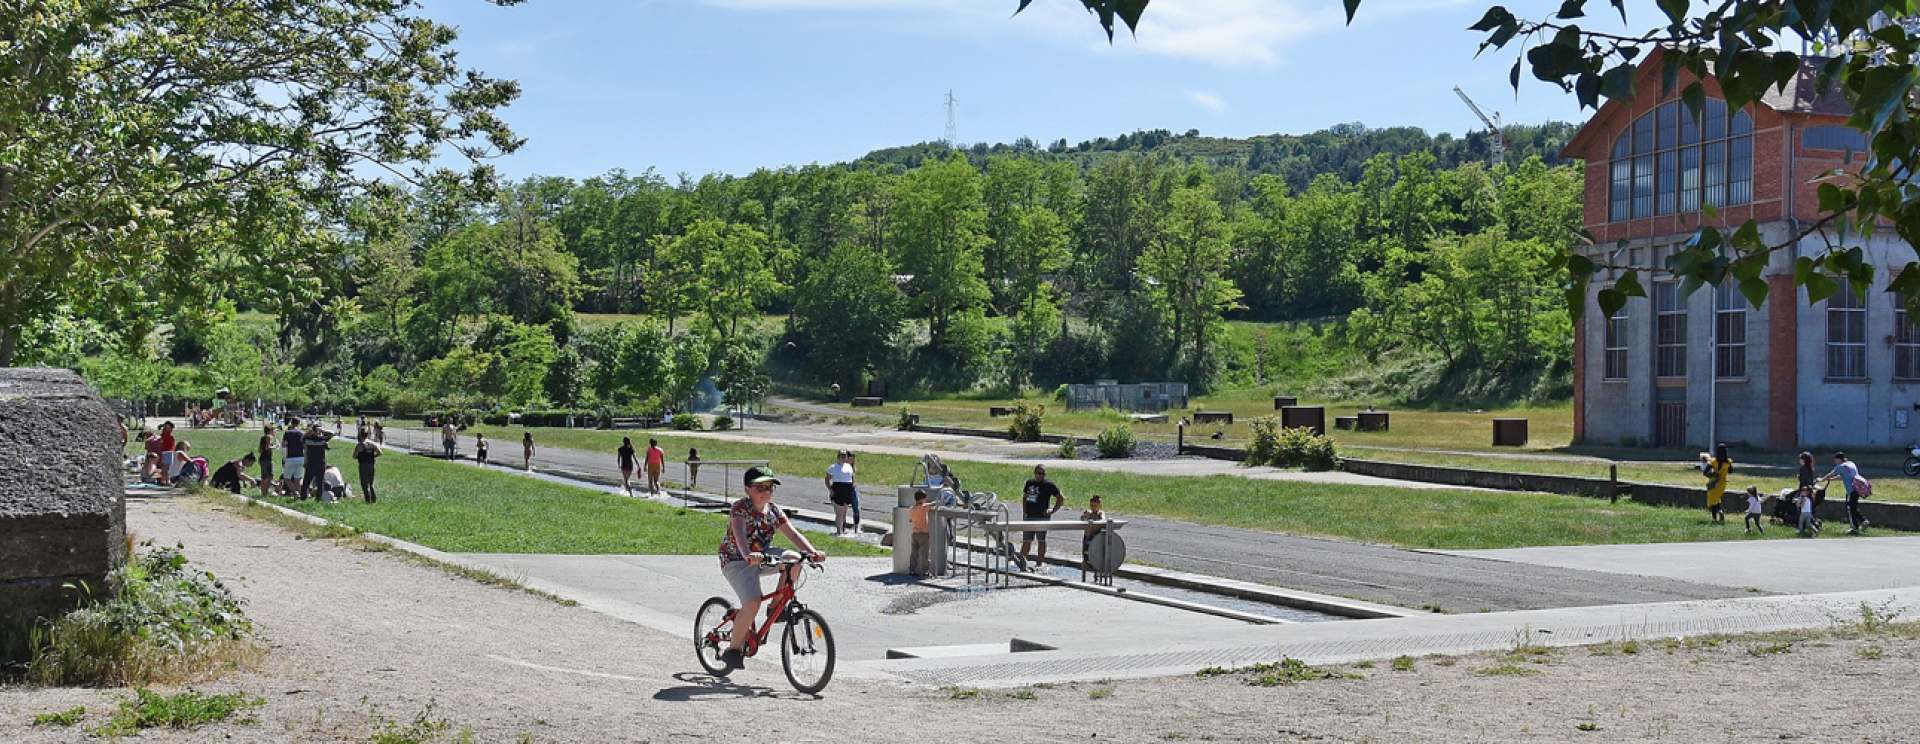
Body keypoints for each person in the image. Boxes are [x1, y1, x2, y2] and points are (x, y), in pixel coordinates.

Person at [715, 466, 825, 673]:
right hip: (737, 560)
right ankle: (733, 650)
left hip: (763, 556)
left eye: (770, 487)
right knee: (753, 602)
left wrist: (812, 552)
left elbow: (792, 534)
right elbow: (738, 533)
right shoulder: (740, 509)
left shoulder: (773, 511)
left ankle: (776, 608)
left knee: (794, 558)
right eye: (760, 487)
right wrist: (748, 554)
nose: (766, 491)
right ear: (747, 489)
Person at [1019, 464, 1064, 571]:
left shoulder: (1048, 485)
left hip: (1042, 517)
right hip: (1029, 516)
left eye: (1043, 473)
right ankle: (1021, 561)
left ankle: (1039, 563)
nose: (1041, 476)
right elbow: (1025, 497)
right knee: (1026, 540)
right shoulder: (1029, 483)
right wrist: (1024, 511)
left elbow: (1060, 497)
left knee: (1041, 540)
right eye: (1039, 473)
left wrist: (1052, 510)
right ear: (1034, 473)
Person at [1820, 451, 1868, 535]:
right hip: (1857, 489)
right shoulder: (1851, 464)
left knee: (1850, 509)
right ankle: (1863, 521)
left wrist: (1822, 479)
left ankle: (1854, 528)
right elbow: (1842, 477)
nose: (1835, 462)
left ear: (1839, 460)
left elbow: (1831, 474)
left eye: (1835, 460)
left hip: (1851, 491)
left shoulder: (1840, 467)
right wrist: (1830, 480)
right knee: (1854, 507)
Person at [300, 423, 335, 501]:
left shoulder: (308, 440)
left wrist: (308, 433)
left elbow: (301, 439)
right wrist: (323, 430)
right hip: (320, 463)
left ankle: (303, 497)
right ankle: (318, 499)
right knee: (320, 483)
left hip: (311, 463)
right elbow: (332, 433)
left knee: (306, 482)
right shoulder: (322, 439)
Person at [825, 450, 857, 535]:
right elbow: (827, 480)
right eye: (841, 457)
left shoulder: (848, 466)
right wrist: (830, 490)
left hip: (847, 489)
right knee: (839, 512)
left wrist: (853, 483)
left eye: (844, 457)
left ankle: (843, 529)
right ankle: (839, 532)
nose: (843, 459)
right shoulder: (833, 468)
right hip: (838, 489)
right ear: (838, 458)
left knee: (844, 512)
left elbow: (852, 475)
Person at [908, 490, 933, 576]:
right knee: (925, 553)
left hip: (914, 533)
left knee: (914, 553)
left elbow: (910, 520)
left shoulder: (911, 509)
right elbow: (932, 505)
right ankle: (925, 571)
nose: (925, 500)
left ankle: (912, 570)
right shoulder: (923, 507)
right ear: (922, 499)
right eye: (925, 499)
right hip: (923, 533)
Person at [353, 428, 381, 504]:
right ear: (368, 435)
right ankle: (374, 500)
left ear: (360, 435)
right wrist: (373, 456)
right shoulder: (373, 444)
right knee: (371, 484)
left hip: (363, 465)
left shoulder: (360, 445)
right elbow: (380, 453)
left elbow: (354, 456)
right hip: (372, 465)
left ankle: (368, 500)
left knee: (365, 484)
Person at [1705, 444, 1731, 523]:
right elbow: (1730, 471)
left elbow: (1705, 472)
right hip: (1722, 484)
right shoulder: (1728, 462)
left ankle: (1714, 518)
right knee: (1718, 498)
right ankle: (1720, 510)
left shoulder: (1713, 462)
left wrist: (1713, 473)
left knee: (1712, 501)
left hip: (1713, 483)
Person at [282, 418, 307, 498]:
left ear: (291, 423)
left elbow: (284, 444)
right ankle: (301, 494)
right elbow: (304, 446)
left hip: (291, 457)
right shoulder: (302, 433)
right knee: (297, 478)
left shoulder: (288, 432)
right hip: (301, 457)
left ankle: (294, 493)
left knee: (287, 478)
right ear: (298, 423)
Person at [258, 423, 278, 498]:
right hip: (267, 459)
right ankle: (265, 493)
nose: (275, 432)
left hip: (262, 458)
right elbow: (267, 447)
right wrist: (275, 446)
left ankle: (263, 492)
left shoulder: (262, 438)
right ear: (270, 430)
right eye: (274, 430)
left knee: (263, 477)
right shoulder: (269, 437)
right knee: (270, 477)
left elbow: (260, 449)